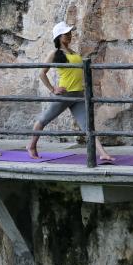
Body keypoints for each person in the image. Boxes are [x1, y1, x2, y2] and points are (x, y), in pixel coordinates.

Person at [26, 22, 115, 162]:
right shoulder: (55, 53)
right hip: (64, 94)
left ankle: (102, 153)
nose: (69, 36)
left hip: (78, 95)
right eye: (66, 34)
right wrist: (53, 88)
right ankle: (31, 146)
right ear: (59, 37)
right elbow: (42, 73)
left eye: (70, 33)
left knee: (87, 126)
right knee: (43, 120)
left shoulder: (73, 52)